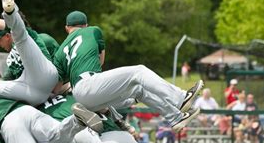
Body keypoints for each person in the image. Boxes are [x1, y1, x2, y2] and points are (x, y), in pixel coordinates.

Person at [53, 10, 202, 132]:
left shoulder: (60, 51)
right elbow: (101, 61)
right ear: (86, 25)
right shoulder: (92, 31)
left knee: (138, 89)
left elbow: (56, 88)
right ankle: (180, 98)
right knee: (139, 71)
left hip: (82, 98)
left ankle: (175, 118)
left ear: (67, 28)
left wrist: (73, 85)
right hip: (90, 84)